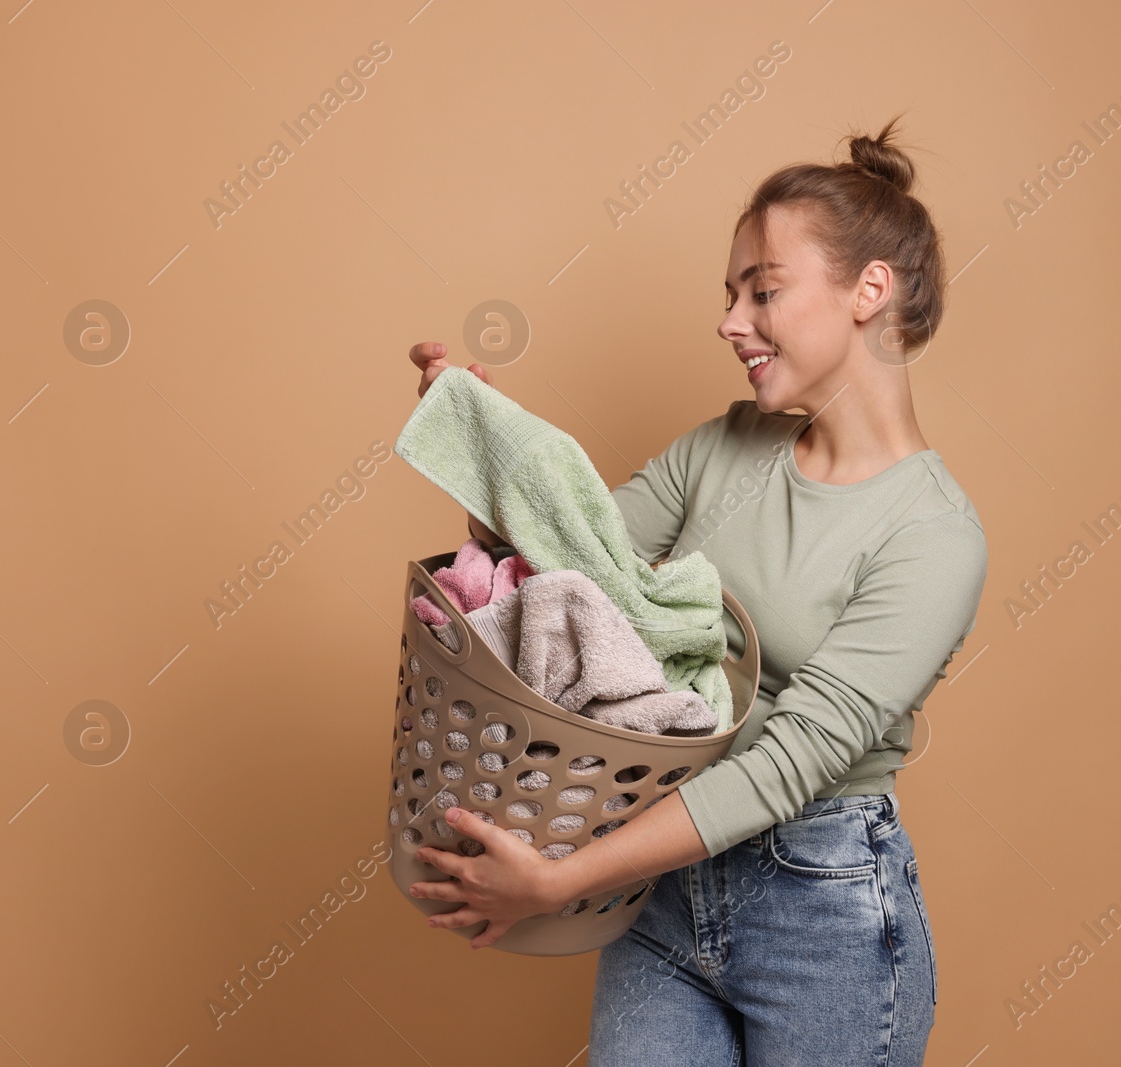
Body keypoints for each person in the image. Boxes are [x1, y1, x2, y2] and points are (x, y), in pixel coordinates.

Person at [404, 115, 988, 1066]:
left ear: (867, 291)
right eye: (730, 296)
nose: (729, 321)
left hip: (825, 913)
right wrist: (478, 449)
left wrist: (563, 880)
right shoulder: (721, 448)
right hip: (665, 886)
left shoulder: (933, 537)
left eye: (763, 291)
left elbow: (795, 762)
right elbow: (576, 565)